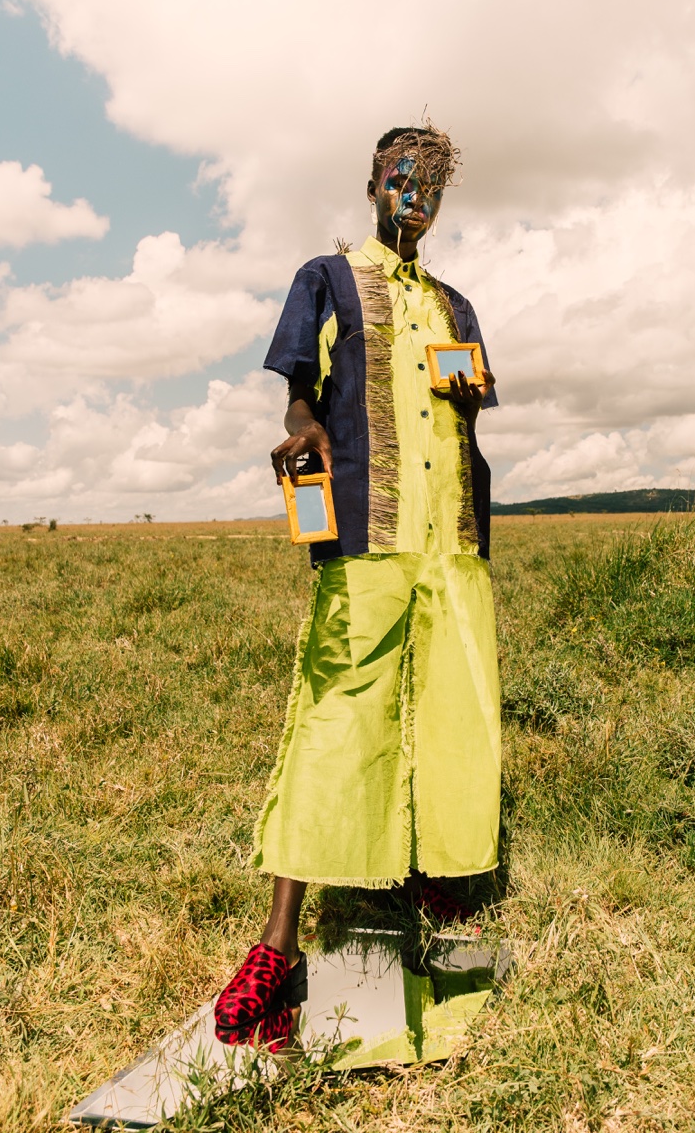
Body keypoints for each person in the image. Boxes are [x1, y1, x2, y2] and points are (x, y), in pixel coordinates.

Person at [214, 123, 501, 1052]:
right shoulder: (327, 279)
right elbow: (299, 389)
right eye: (402, 180)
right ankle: (278, 947)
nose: (416, 199)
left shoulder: (455, 304)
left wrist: (467, 407)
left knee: (451, 710)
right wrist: (302, 426)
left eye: (431, 189)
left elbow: (468, 410)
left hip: (451, 540)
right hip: (367, 532)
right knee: (338, 713)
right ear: (374, 183)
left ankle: (434, 873)